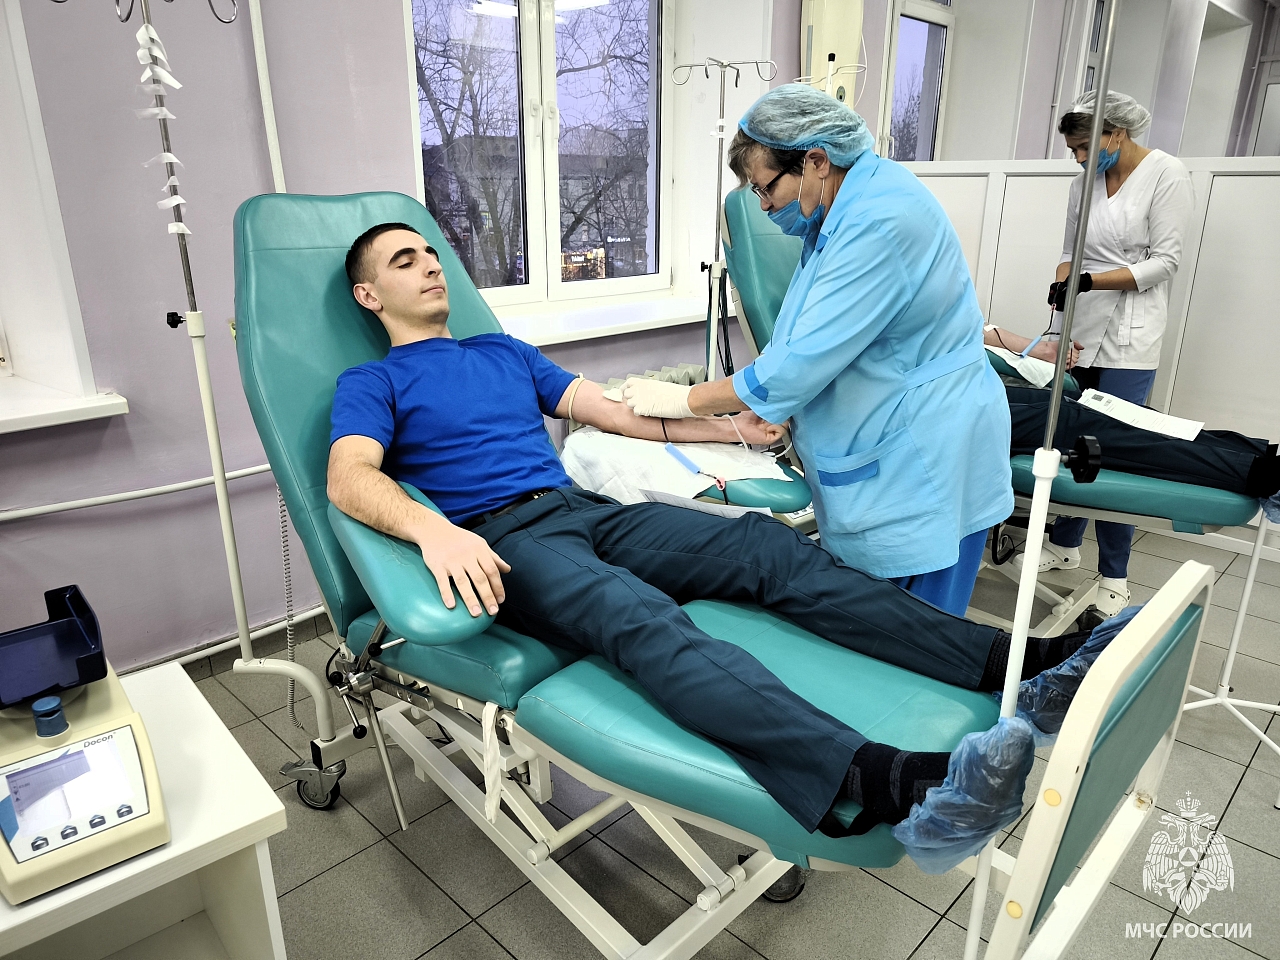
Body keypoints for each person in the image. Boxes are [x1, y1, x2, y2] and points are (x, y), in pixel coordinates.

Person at [325, 222, 1105, 848]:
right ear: (369, 294)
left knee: (768, 546)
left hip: (581, 508)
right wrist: (435, 532)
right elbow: (348, 477)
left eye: (431, 253)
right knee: (638, 613)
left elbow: (618, 415)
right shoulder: (372, 381)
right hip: (508, 540)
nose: (430, 266)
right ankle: (873, 777)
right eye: (404, 261)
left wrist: (728, 429)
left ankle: (1016, 665)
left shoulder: (503, 352)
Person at [618, 84, 1012, 618]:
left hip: (924, 455)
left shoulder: (880, 221)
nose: (763, 206)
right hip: (893, 436)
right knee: (884, 629)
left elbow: (797, 363)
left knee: (920, 635)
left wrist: (680, 401)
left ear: (816, 161)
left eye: (766, 189)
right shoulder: (838, 213)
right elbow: (800, 338)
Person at [1011, 91, 1194, 616]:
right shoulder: (1082, 184)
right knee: (1073, 437)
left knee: (1113, 450)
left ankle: (1116, 574)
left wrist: (1089, 281)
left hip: (1133, 332)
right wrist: (1064, 285)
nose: (1078, 158)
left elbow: (1165, 262)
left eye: (1085, 147)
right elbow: (1071, 252)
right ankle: (1066, 544)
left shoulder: (1166, 174)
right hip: (1083, 325)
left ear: (1117, 133)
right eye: (1073, 149)